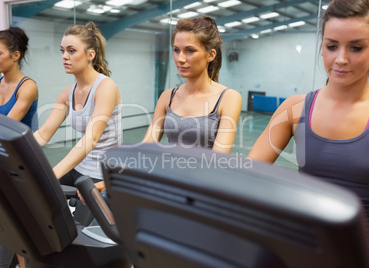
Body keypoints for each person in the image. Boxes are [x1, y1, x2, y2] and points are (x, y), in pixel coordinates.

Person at [248, 0, 369, 226]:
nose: (341, 59)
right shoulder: (294, 109)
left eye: (356, 47)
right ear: (322, 49)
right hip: (306, 247)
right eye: (332, 46)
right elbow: (246, 176)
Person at [33, 21, 121, 196]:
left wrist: (54, 173)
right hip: (79, 167)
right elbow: (43, 134)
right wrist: (10, 152)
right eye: (62, 50)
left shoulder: (105, 87)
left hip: (101, 174)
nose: (64, 56)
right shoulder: (67, 93)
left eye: (71, 51)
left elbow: (91, 139)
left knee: (76, 223)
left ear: (90, 54)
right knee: (36, 196)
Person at [0, 27, 38, 268]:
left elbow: (3, 129)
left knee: (16, 226)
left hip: (22, 164)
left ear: (15, 55)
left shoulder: (27, 87)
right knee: (4, 224)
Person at [143, 16, 242, 153]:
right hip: (168, 172)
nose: (180, 59)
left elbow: (219, 158)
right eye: (176, 50)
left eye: (190, 50)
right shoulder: (167, 96)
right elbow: (147, 145)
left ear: (211, 55)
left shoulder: (228, 98)